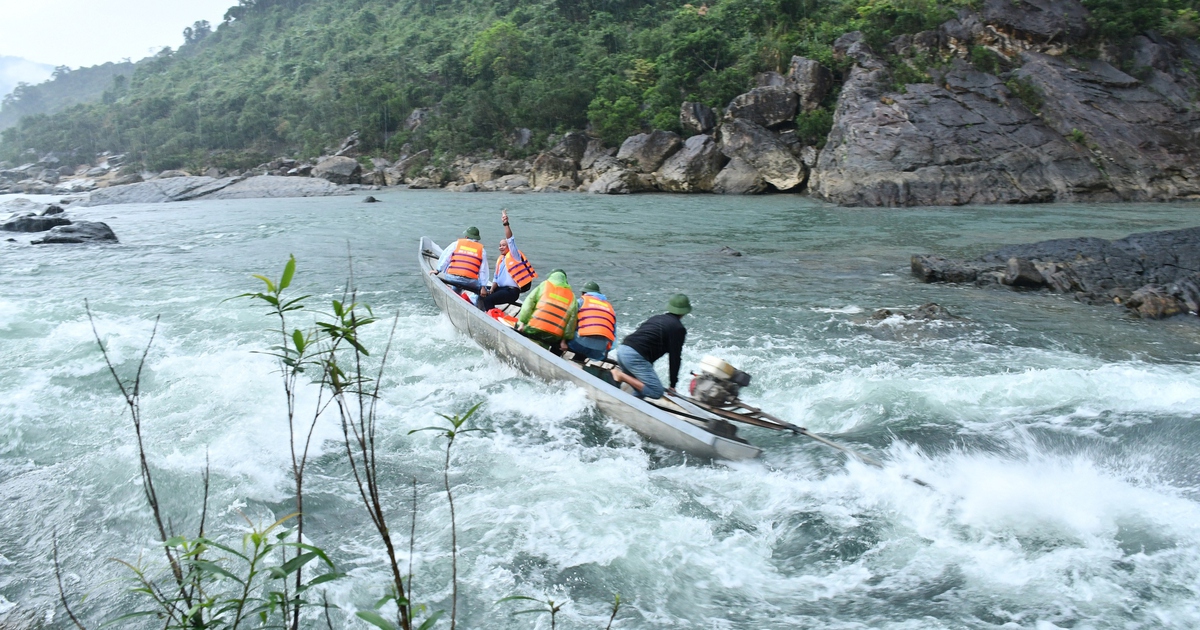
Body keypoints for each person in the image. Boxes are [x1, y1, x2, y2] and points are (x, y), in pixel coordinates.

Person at [611, 294, 691, 399]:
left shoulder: (657, 318)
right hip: (634, 356)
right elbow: (674, 358)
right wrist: (672, 385)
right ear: (684, 312)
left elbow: (646, 341)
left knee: (641, 389)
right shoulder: (678, 329)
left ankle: (632, 407)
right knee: (656, 392)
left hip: (623, 350)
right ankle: (621, 375)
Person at [478, 208, 537, 311]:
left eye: (503, 245)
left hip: (511, 292)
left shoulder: (514, 255)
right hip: (500, 289)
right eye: (500, 245)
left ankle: (492, 318)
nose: (501, 247)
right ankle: (481, 310)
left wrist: (506, 223)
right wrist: (491, 289)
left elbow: (510, 239)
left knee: (488, 300)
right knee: (480, 291)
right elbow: (496, 278)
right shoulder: (500, 260)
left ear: (509, 247)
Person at [517, 269, 577, 351]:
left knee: (518, 324)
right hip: (554, 336)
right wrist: (564, 340)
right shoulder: (572, 296)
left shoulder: (544, 285)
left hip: (533, 328)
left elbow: (528, 304)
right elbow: (572, 321)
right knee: (549, 341)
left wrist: (522, 324)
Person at [430, 226, 489, 294]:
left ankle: (454, 293)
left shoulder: (456, 244)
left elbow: (446, 258)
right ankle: (474, 302)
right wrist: (483, 287)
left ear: (466, 237)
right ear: (477, 239)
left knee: (454, 277)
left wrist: (437, 270)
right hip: (470, 282)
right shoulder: (482, 250)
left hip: (452, 277)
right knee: (481, 289)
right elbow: (483, 270)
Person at [567, 281, 616, 361]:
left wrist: (563, 341)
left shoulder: (581, 302)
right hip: (599, 349)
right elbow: (614, 334)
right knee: (589, 341)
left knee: (571, 336)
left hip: (580, 344)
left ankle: (555, 357)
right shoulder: (610, 308)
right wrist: (606, 353)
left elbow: (569, 322)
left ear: (583, 293)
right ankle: (578, 361)